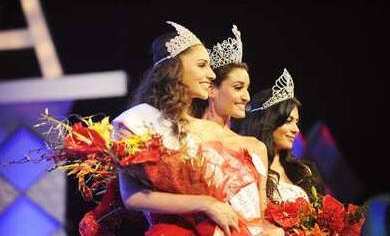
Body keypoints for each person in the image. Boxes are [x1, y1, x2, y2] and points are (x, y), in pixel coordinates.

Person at [112, 21, 270, 236]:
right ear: (175, 68)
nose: (212, 74)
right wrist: (205, 204)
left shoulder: (210, 131)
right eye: (202, 65)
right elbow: (132, 197)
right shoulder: (139, 121)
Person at [192, 24, 284, 235]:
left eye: (247, 88)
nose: (247, 97)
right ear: (212, 90)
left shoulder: (255, 147)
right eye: (238, 87)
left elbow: (260, 215)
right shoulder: (190, 136)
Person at [237, 69, 324, 203]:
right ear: (269, 122)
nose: (296, 130)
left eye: (296, 122)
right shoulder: (247, 168)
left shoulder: (304, 171)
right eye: (288, 121)